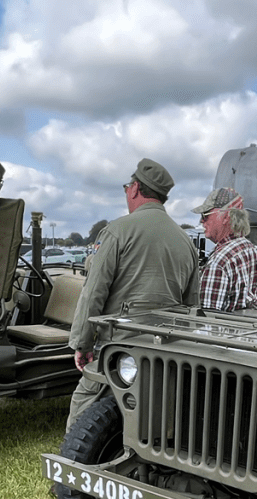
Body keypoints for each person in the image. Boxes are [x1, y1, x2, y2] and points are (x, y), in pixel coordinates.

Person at [66, 158, 200, 429]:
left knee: (81, 418)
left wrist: (82, 344)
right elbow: (191, 306)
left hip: (117, 351)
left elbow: (93, 293)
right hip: (164, 354)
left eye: (127, 186)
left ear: (136, 188)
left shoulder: (117, 231)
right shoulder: (185, 241)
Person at [191, 187, 257, 312]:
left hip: (223, 330)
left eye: (205, 215)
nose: (201, 221)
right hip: (242, 328)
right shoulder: (251, 249)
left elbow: (207, 320)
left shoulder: (219, 262)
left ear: (225, 217)